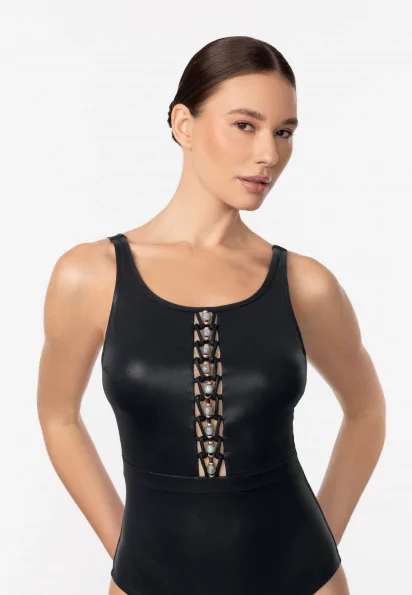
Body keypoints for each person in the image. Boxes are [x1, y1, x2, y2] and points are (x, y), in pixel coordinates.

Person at [37, 35, 386, 595]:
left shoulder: (305, 284)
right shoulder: (90, 274)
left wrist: (319, 542)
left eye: (284, 132)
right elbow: (59, 417)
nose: (269, 154)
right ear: (184, 125)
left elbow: (366, 411)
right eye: (245, 125)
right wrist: (125, 549)